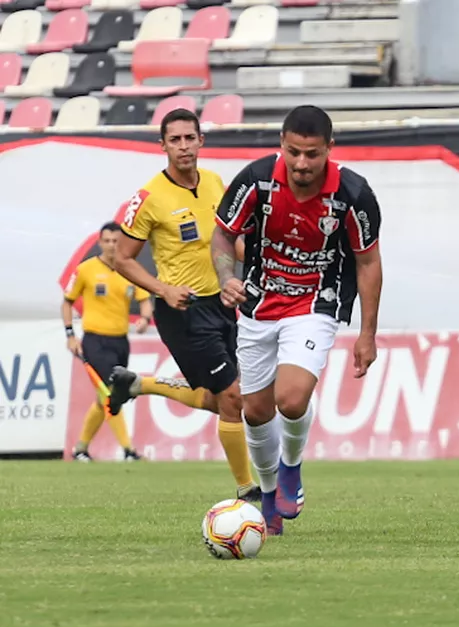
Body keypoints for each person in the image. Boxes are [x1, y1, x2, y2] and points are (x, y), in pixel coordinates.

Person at [210, 105, 383, 535]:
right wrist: (226, 276)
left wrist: (367, 333)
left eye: (312, 154)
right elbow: (222, 235)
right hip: (258, 304)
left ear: (329, 148)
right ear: (281, 145)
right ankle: (268, 495)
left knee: (290, 399)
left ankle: (291, 467)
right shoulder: (255, 180)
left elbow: (368, 261)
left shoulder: (353, 194)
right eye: (293, 153)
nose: (302, 163)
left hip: (315, 304)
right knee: (254, 411)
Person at [111, 108, 260, 502]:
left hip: (223, 305)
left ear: (201, 141)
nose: (183, 147)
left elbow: (230, 241)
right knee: (233, 398)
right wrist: (162, 289)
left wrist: (259, 263)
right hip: (183, 311)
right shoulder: (148, 198)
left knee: (222, 399)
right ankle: (248, 491)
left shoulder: (214, 183)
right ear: (162, 146)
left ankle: (139, 383)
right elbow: (121, 258)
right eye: (174, 140)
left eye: (189, 138)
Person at [63, 222, 150, 462]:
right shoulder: (86, 270)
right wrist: (70, 334)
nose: (112, 246)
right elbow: (67, 302)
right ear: (101, 243)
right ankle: (128, 450)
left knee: (105, 399)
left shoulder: (129, 270)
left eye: (116, 241)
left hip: (120, 341)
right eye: (107, 241)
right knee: (111, 392)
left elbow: (145, 299)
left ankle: (80, 448)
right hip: (94, 341)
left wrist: (144, 318)